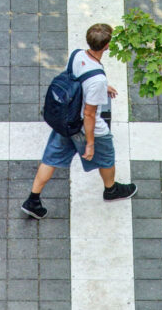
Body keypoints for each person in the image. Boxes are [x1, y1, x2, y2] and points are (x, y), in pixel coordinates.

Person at [21, 23, 137, 217]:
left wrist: (102, 86)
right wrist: (90, 144)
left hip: (67, 121)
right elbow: (90, 114)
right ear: (107, 45)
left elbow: (76, 79)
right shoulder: (97, 79)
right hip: (87, 128)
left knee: (50, 159)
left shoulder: (77, 55)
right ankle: (111, 190)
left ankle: (33, 200)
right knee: (107, 157)